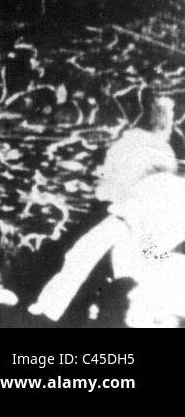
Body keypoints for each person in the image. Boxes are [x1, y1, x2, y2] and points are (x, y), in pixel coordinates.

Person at [29, 98, 185, 327]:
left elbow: (83, 255)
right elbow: (83, 255)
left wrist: (51, 305)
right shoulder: (145, 255)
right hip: (148, 218)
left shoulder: (138, 261)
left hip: (146, 221)